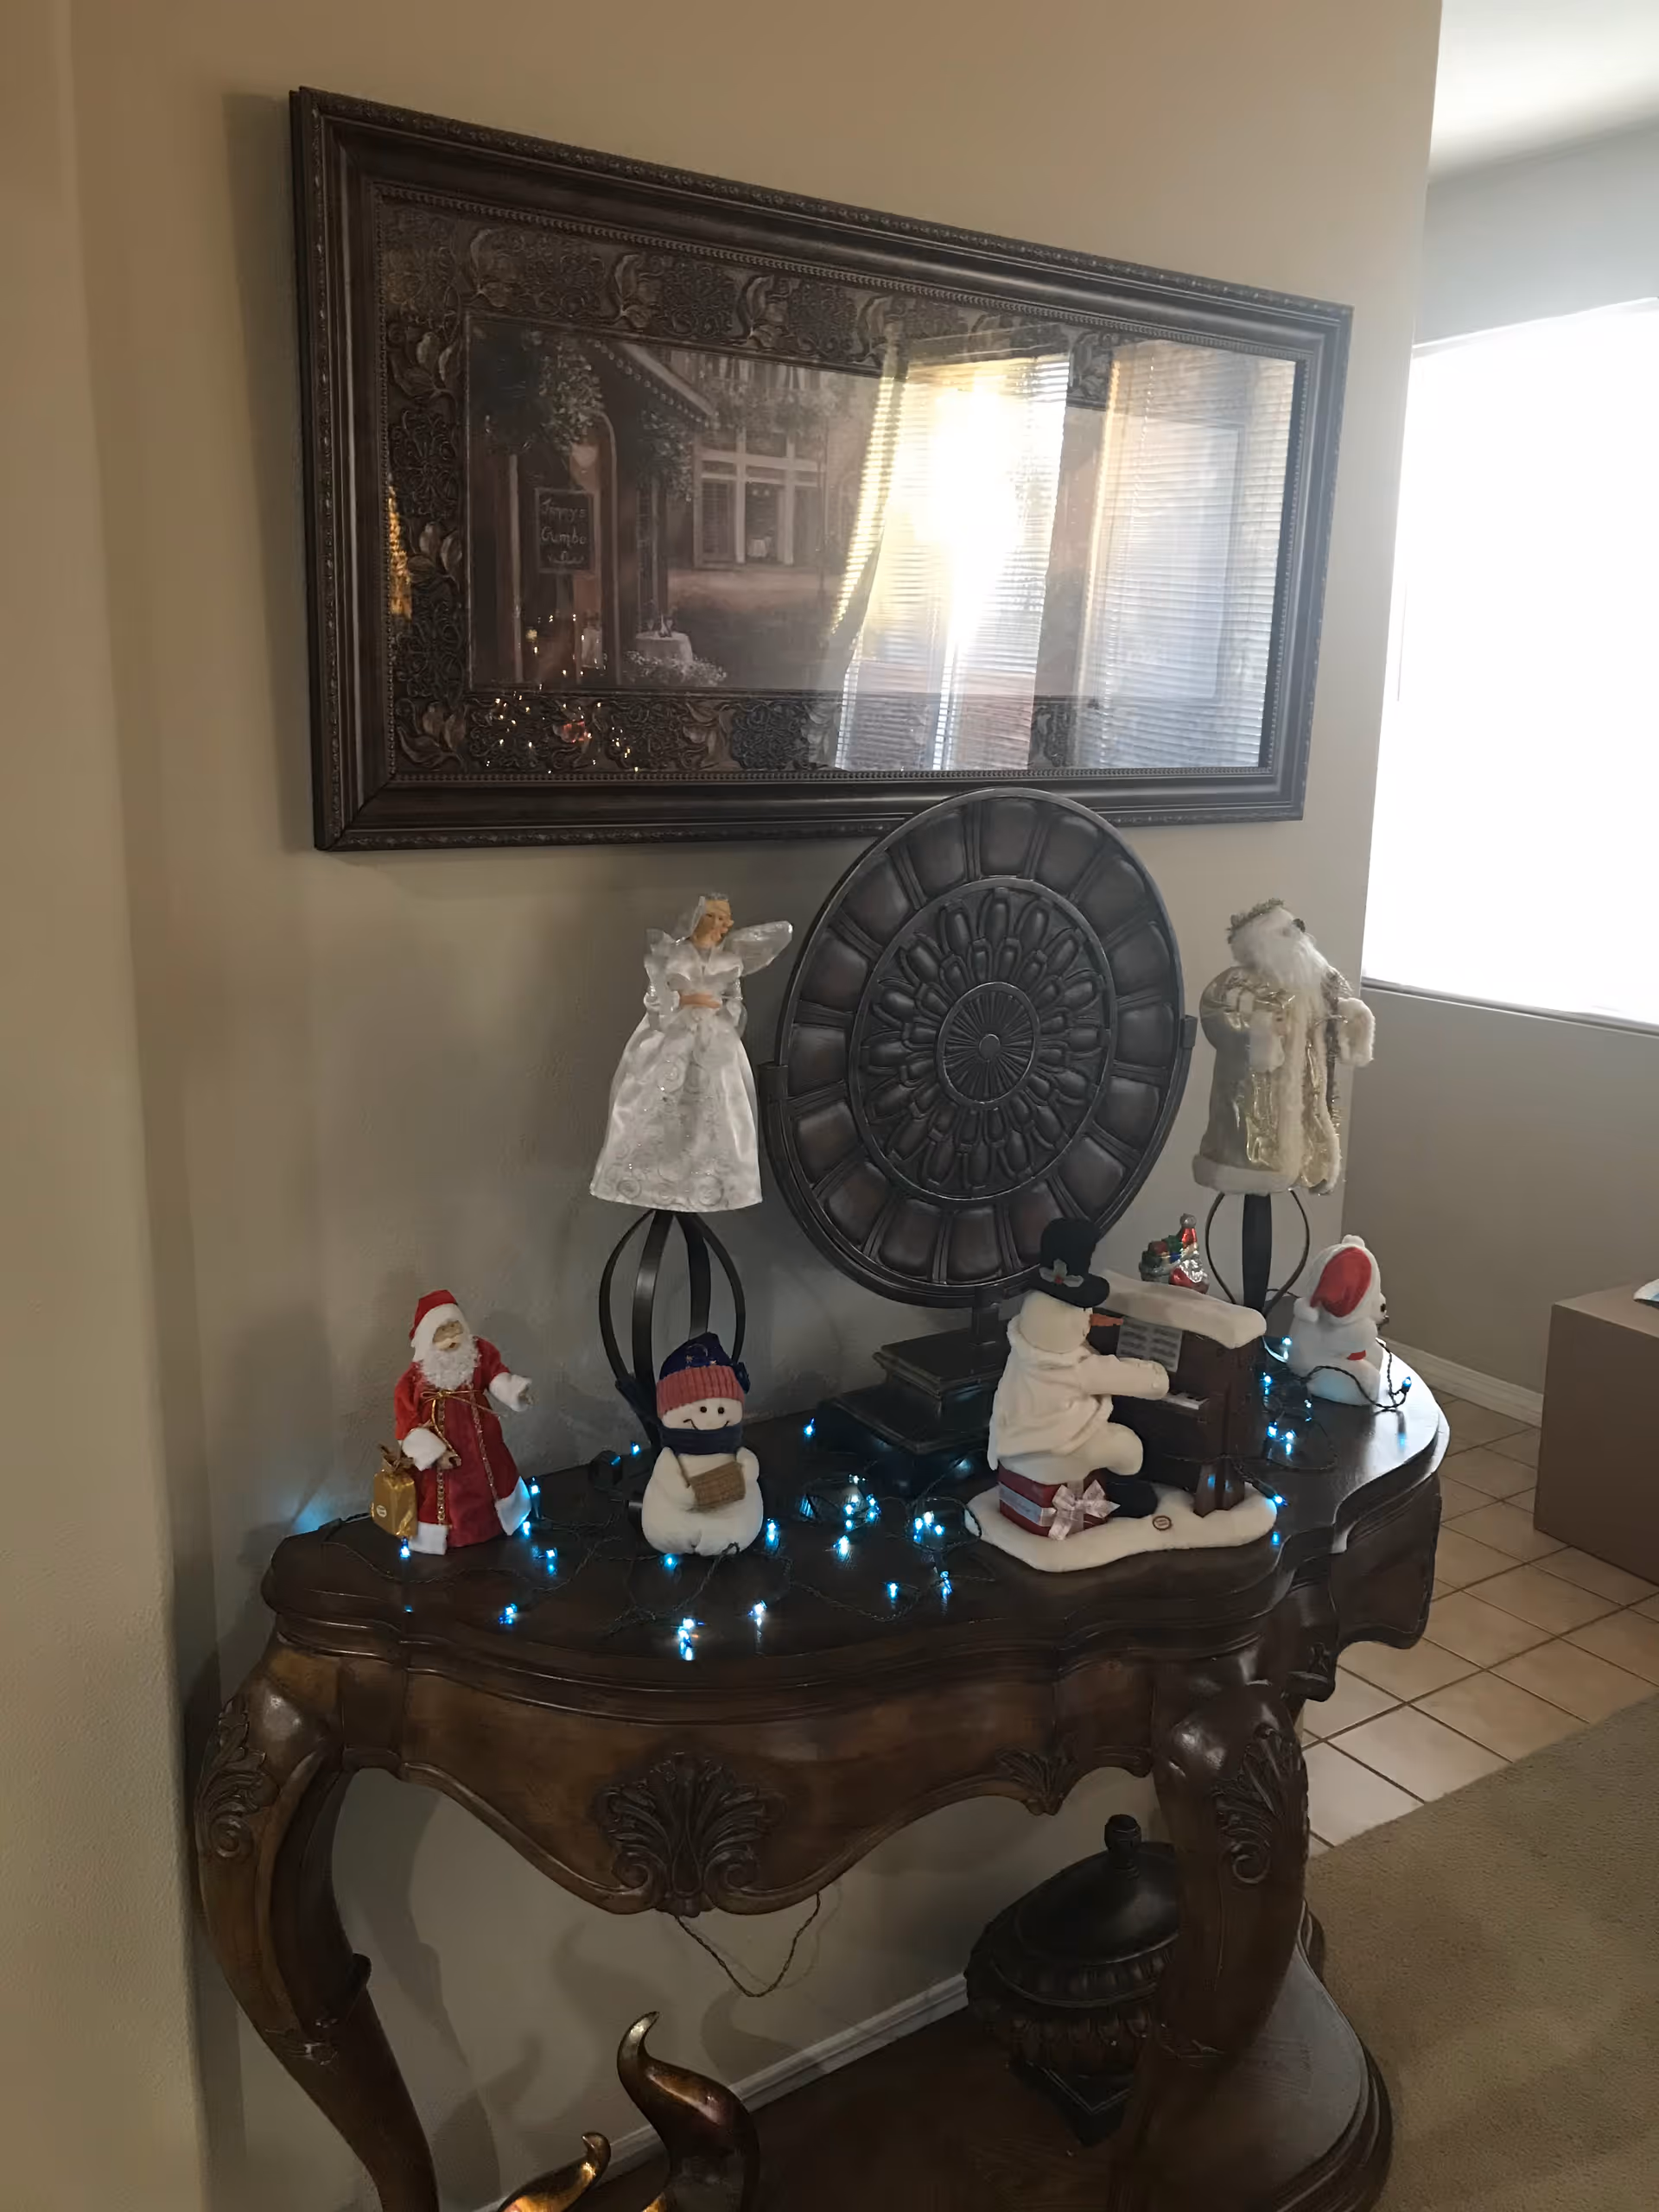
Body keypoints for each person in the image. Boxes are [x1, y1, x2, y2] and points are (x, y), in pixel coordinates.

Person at [591, 894, 791, 1214]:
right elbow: (655, 1000)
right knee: (658, 1103)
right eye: (715, 917)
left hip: (714, 1041)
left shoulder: (729, 961)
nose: (722, 925)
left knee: (717, 1105)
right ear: (698, 918)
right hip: (672, 1038)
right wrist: (689, 1000)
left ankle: (708, 1182)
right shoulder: (672, 954)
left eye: (725, 919)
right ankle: (649, 1177)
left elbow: (735, 1000)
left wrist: (725, 1013)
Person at [1192, 898, 1374, 1198]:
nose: (1298, 937)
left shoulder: (1313, 984)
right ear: (1261, 944)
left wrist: (1347, 1015)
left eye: (1296, 930)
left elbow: (1326, 1023)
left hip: (1306, 1097)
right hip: (1253, 1103)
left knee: (1301, 1150)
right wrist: (1261, 1029)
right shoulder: (1237, 984)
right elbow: (1217, 1017)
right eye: (1286, 933)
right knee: (1259, 1158)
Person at [989, 1220, 1169, 1489]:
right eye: (1085, 1313)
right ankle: (1128, 1493)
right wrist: (1155, 1370)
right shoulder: (1080, 1369)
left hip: (1013, 1454)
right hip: (1057, 1458)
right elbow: (1154, 1385)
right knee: (1126, 1444)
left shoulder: (1019, 1353)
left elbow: (1056, 1327)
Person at [394, 1290, 535, 1554]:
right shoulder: (413, 1379)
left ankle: (495, 1523)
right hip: (443, 1453)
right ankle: (446, 1535)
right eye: (442, 1332)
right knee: (444, 1493)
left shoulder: (477, 1354)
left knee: (491, 1479)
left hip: (483, 1446)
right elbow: (406, 1422)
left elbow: (496, 1375)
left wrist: (513, 1391)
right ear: (427, 1337)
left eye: (455, 1328)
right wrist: (433, 1453)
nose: (451, 1338)